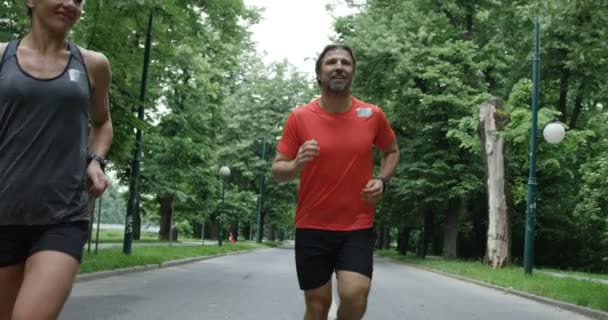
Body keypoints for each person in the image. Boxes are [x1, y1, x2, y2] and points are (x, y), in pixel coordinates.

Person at [0, 0, 113, 319]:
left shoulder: (93, 64)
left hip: (63, 216)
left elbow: (103, 123)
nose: (71, 4)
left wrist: (95, 160)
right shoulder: (1, 57)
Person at [272, 44, 399, 320]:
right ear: (319, 73)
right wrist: (295, 165)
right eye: (331, 62)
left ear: (352, 73)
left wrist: (382, 180)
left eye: (346, 62)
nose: (339, 66)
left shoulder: (372, 115)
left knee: (355, 295)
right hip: (312, 225)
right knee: (317, 306)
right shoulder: (299, 118)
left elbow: (391, 151)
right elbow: (278, 170)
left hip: (357, 225)